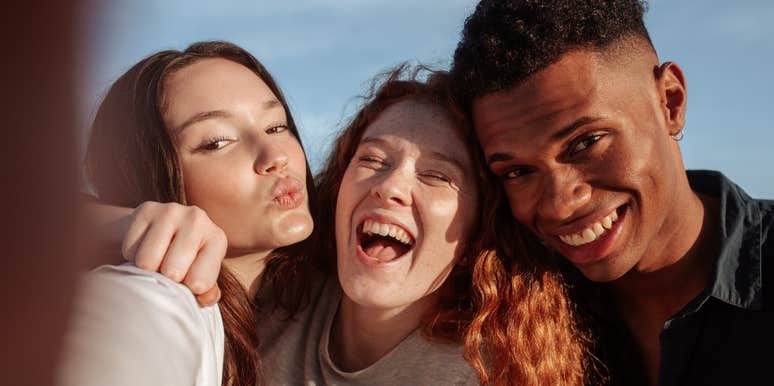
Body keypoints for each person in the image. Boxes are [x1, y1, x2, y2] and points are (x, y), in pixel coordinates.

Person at [87, 66, 591, 385]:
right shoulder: (275, 288)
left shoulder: (486, 371)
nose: (392, 187)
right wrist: (125, 221)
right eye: (371, 159)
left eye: (438, 175)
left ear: (480, 227)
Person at [451, 0, 774, 385]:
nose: (559, 204)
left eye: (587, 142)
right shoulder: (508, 321)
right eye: (518, 171)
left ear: (670, 102)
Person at [57, 41, 315, 386]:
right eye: (218, 142)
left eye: (276, 126)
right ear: (150, 176)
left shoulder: (338, 279)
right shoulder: (155, 300)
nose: (274, 155)